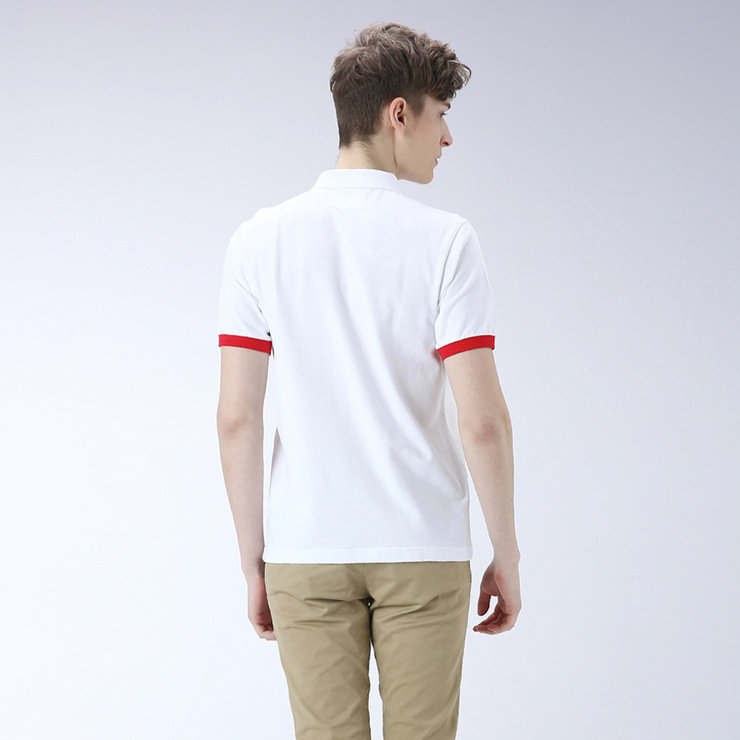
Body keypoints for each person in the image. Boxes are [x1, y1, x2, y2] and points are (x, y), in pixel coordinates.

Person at [216, 20, 521, 740]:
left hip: (306, 549)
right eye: (441, 115)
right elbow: (482, 422)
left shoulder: (258, 239)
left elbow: (237, 418)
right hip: (422, 547)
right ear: (399, 114)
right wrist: (506, 553)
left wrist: (254, 562)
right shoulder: (447, 241)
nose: (447, 137)